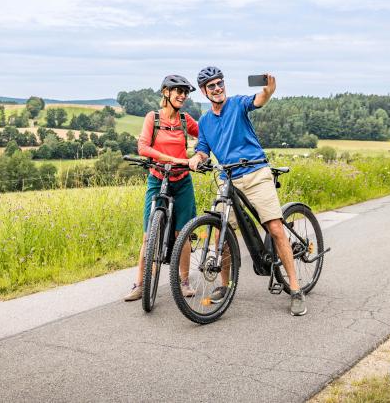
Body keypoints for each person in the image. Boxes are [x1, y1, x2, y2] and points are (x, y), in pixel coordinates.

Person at [187, 66, 307, 316]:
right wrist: (197, 158)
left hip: (255, 173)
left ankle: (295, 289)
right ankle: (224, 285)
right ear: (204, 92)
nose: (218, 88)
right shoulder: (205, 121)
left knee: (274, 227)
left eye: (220, 83)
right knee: (222, 232)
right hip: (227, 177)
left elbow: (258, 100)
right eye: (212, 86)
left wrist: (268, 91)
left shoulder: (238, 104)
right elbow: (203, 148)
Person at [124, 75, 200, 302]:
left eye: (185, 92)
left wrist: (198, 154)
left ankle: (183, 281)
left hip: (182, 181)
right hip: (158, 179)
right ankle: (140, 284)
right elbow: (143, 147)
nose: (182, 95)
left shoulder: (186, 120)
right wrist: (169, 158)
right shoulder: (153, 118)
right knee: (149, 236)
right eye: (178, 90)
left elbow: (205, 136)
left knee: (183, 233)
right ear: (165, 92)